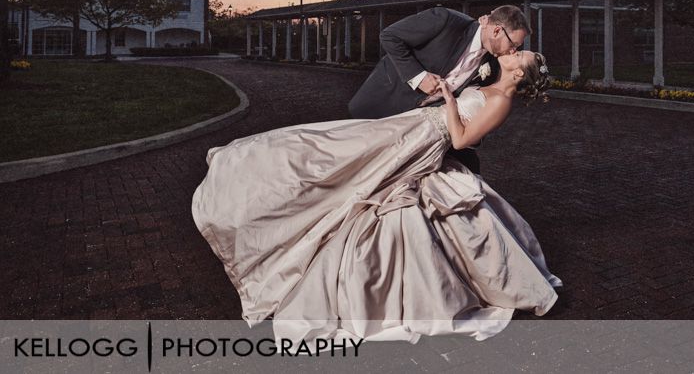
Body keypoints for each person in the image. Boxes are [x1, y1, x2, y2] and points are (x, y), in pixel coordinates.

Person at [192, 50, 560, 344]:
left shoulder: (500, 101)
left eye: (518, 57)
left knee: (354, 167)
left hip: (428, 138)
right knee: (337, 146)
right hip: (416, 127)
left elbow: (463, 139)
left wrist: (448, 100)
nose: (512, 54)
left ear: (517, 75)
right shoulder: (491, 84)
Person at [348, 5, 530, 174]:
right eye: (513, 44)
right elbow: (390, 36)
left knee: (467, 171)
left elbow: (478, 112)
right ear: (497, 31)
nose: (512, 51)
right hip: (383, 104)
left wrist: (472, 134)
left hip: (418, 132)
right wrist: (418, 77)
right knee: (354, 166)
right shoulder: (446, 20)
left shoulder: (491, 63)